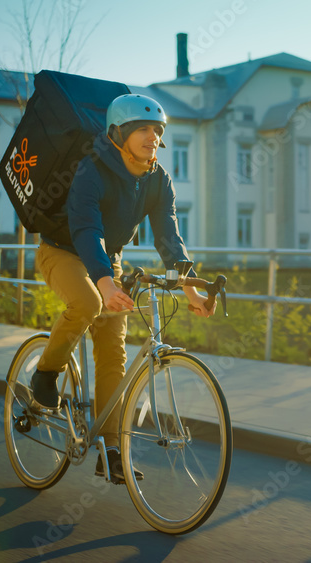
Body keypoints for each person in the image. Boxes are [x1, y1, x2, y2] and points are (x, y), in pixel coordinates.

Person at [29, 93, 216, 483]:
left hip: (106, 260)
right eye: (144, 129)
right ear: (119, 133)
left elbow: (168, 235)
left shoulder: (157, 177)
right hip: (62, 251)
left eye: (157, 130)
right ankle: (45, 374)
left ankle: (110, 449)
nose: (153, 137)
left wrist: (189, 288)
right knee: (88, 302)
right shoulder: (91, 171)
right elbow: (86, 230)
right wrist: (104, 282)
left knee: (113, 351)